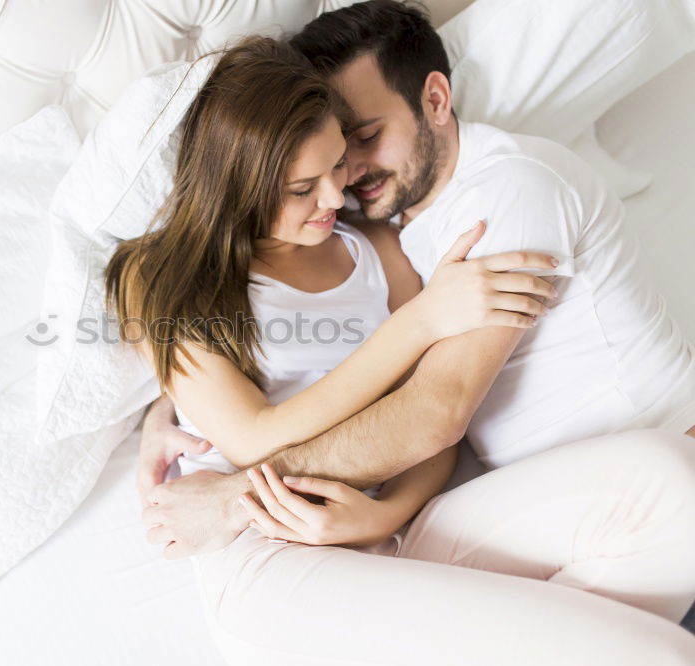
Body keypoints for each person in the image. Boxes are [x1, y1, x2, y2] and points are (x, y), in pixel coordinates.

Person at [137, 2, 695, 664]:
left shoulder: (488, 201)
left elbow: (432, 415)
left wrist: (249, 496)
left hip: (521, 504)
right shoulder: (380, 231)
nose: (343, 184)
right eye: (316, 171)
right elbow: (251, 404)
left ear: (436, 99)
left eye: (361, 140)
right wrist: (168, 402)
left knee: (674, 501)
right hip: (297, 540)